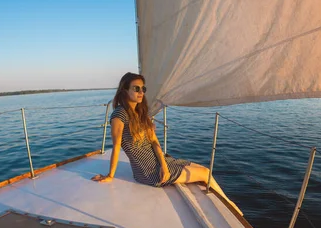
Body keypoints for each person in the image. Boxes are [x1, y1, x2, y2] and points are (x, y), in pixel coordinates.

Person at [91, 72, 239, 211]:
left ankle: (227, 201)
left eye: (143, 88)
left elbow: (155, 142)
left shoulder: (141, 114)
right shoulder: (119, 114)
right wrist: (110, 175)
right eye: (136, 88)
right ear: (124, 91)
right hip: (148, 171)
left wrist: (164, 165)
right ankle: (229, 204)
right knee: (205, 173)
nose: (141, 92)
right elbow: (116, 146)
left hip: (160, 163)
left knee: (203, 169)